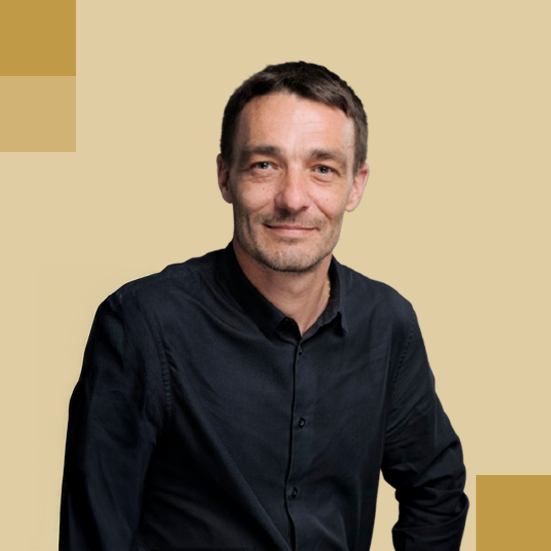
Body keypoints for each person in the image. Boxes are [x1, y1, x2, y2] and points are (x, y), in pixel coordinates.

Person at [60, 61, 468, 551]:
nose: (293, 198)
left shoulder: (388, 323)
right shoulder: (141, 324)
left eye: (322, 169)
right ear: (225, 176)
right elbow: (95, 532)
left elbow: (437, 488)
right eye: (264, 165)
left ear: (356, 185)